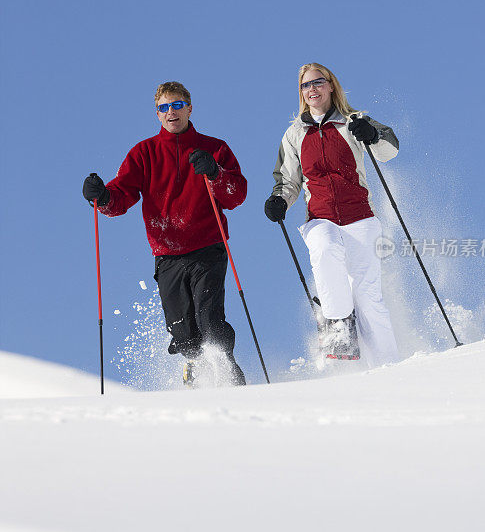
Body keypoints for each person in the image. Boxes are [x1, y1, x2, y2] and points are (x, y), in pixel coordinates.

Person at [82, 80, 247, 386]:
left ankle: (226, 368)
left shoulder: (214, 148)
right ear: (157, 114)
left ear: (189, 108)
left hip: (207, 246)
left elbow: (236, 196)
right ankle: (196, 369)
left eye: (177, 105)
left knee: (210, 319)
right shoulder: (144, 153)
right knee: (183, 333)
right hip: (167, 253)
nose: (171, 112)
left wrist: (215, 172)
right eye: (164, 107)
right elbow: (122, 194)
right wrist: (101, 196)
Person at [264, 62, 399, 368]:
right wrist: (280, 201)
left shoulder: (353, 121)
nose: (312, 89)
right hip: (321, 216)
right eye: (305, 85)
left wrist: (371, 135)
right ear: (301, 93)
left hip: (360, 216)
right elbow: (288, 180)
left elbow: (389, 150)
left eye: (317, 83)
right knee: (324, 250)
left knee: (368, 296)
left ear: (331, 86)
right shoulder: (295, 133)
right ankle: (339, 325)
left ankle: (389, 365)